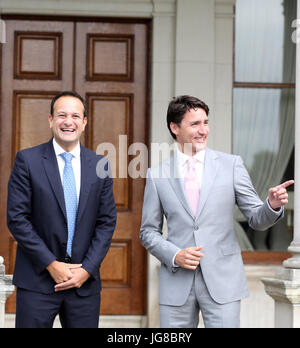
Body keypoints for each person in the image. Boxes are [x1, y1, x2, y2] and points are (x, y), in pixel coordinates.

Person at [140, 95, 294, 328]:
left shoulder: (232, 165)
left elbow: (256, 219)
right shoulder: (157, 174)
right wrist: (174, 255)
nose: (204, 130)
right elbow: (148, 232)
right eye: (195, 124)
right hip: (176, 283)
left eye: (206, 122)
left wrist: (271, 205)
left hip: (223, 281)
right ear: (175, 128)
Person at [7, 91, 117, 328]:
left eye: (76, 116)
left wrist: (87, 269)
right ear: (50, 120)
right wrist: (51, 264)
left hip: (83, 284)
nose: (69, 121)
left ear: (84, 122)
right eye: (62, 115)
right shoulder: (27, 160)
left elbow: (106, 222)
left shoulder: (100, 165)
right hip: (37, 280)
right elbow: (17, 218)